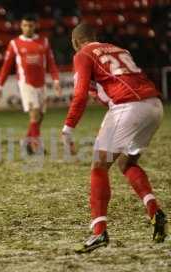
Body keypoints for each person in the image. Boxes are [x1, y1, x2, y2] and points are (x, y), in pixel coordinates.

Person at [61, 23, 167, 253]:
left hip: (128, 107)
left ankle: (99, 232)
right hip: (155, 106)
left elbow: (79, 96)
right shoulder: (120, 50)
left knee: (98, 166)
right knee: (126, 162)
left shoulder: (83, 54)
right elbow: (113, 84)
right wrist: (95, 91)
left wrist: (68, 128)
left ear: (75, 41)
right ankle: (154, 210)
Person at [0, 14, 62, 154]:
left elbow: (51, 63)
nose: (27, 28)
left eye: (30, 25)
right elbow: (6, 66)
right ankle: (37, 147)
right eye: (25, 25)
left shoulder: (44, 41)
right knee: (35, 114)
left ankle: (27, 141)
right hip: (26, 84)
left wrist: (56, 80)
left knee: (40, 116)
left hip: (41, 84)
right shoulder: (15, 43)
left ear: (35, 26)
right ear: (21, 26)